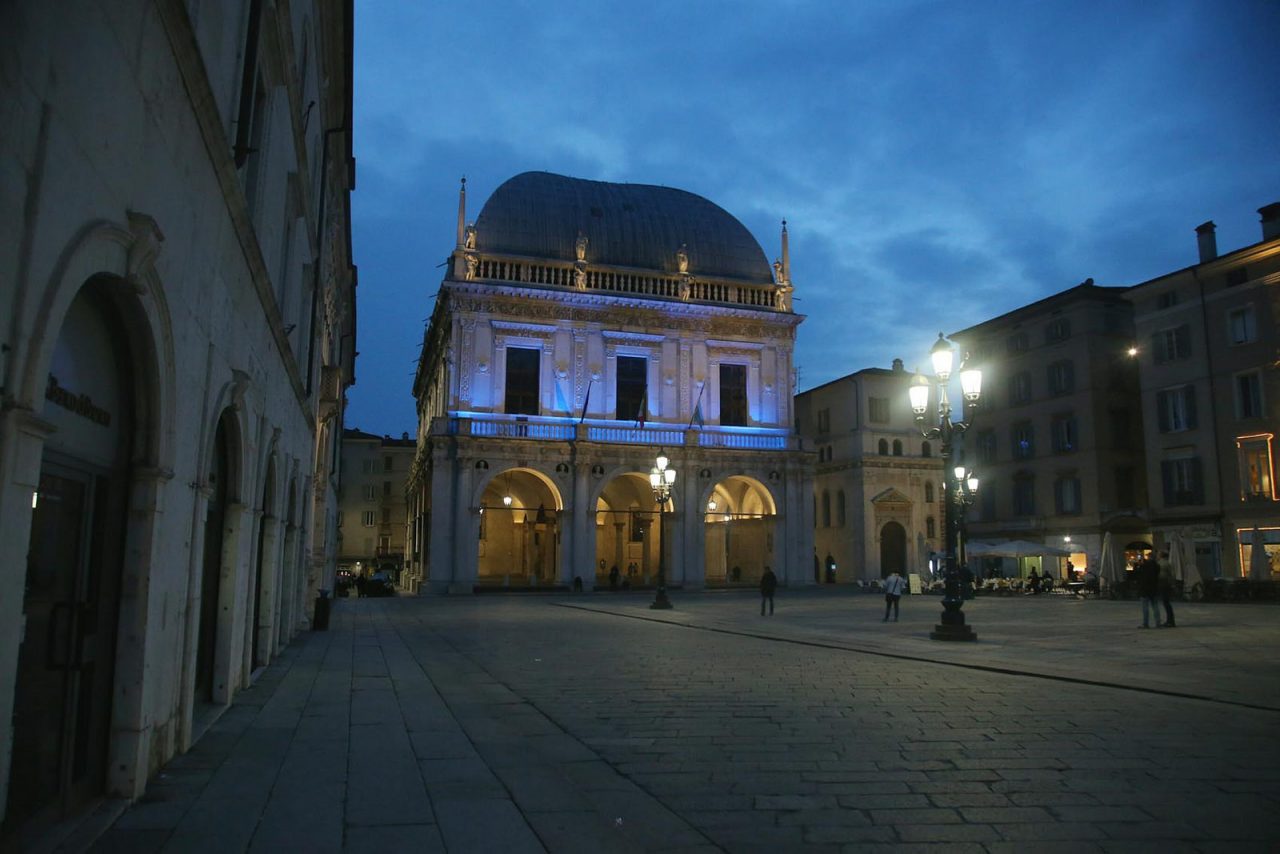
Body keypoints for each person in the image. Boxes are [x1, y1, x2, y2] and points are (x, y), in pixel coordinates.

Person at [1137, 550, 1163, 628]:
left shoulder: (1144, 565)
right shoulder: (1157, 566)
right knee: (1155, 606)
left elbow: (1140, 575)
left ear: (1148, 557)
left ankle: (1145, 623)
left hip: (1145, 589)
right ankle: (1158, 623)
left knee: (1145, 607)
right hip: (1154, 588)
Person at [1157, 549, 1176, 627]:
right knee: (1166, 603)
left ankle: (1170, 621)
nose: (1157, 556)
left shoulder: (1161, 563)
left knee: (1166, 603)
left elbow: (1170, 575)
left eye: (1158, 554)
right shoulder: (1168, 563)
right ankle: (1170, 620)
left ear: (1161, 556)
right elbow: (1172, 575)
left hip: (1163, 584)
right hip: (1167, 584)